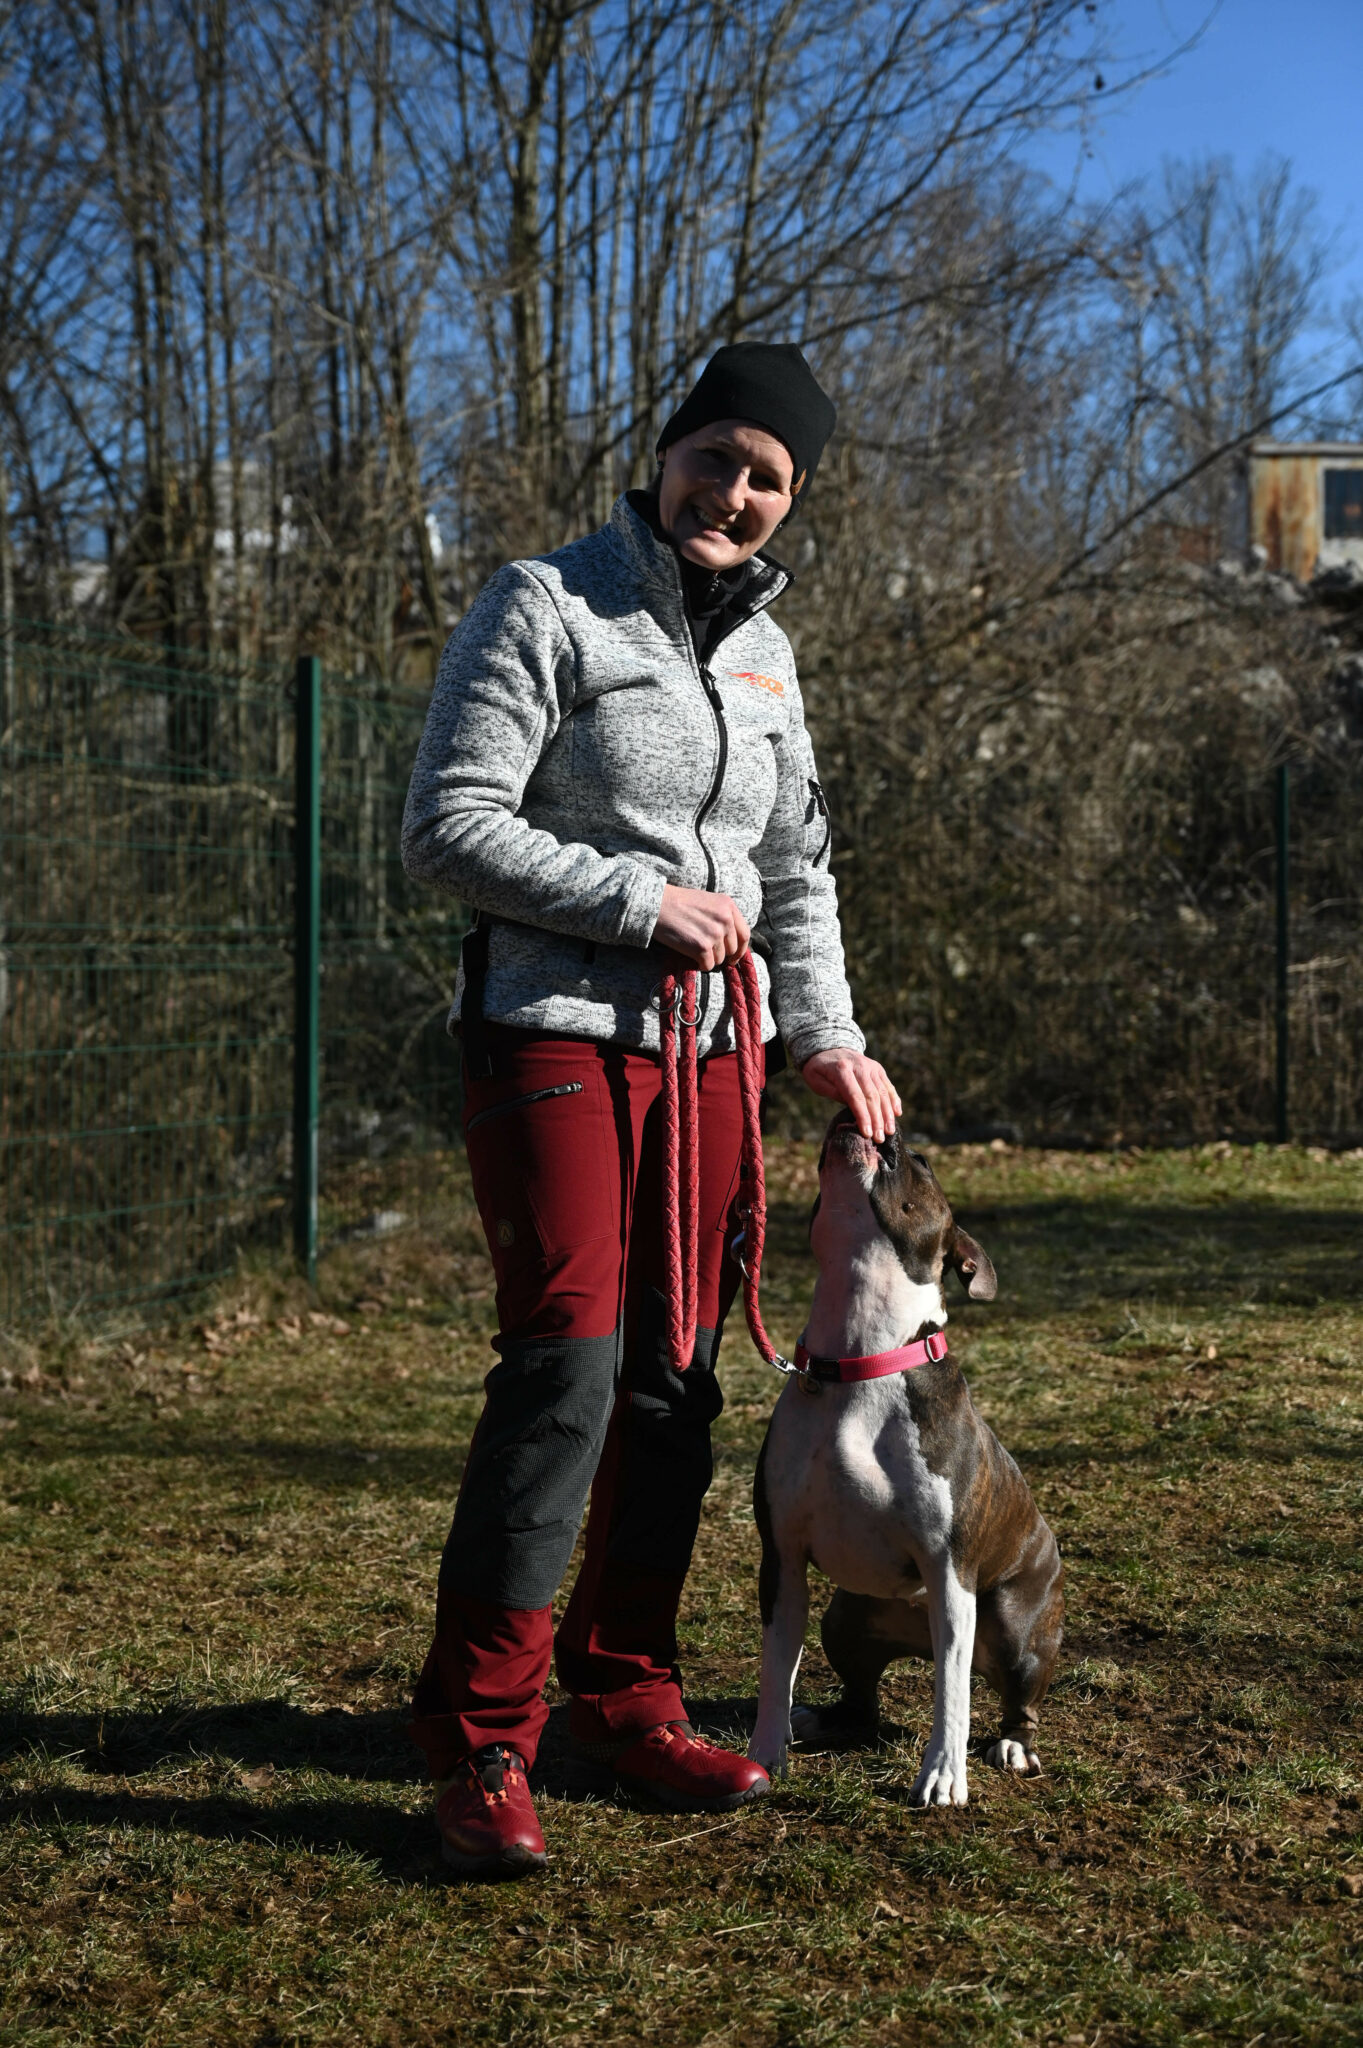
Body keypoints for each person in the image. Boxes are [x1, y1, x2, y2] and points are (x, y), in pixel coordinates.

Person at [401, 341, 900, 1879]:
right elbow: (449, 825)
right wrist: (640, 902)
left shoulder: (770, 659)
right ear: (665, 452)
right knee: (571, 1364)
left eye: (768, 479)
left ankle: (627, 1692)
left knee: (678, 1382)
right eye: (716, 459)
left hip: (716, 1058)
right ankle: (482, 1737)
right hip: (552, 1035)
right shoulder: (544, 603)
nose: (734, 495)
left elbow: (795, 868)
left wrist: (824, 1035)